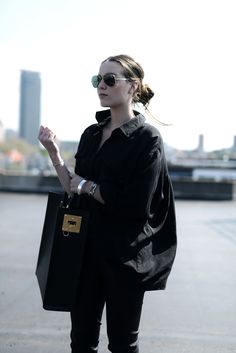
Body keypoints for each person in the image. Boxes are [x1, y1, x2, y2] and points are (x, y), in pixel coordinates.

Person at [38, 54, 177, 353]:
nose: (101, 85)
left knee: (123, 345)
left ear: (132, 87)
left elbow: (136, 204)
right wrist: (54, 154)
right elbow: (73, 190)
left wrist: (89, 187)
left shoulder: (147, 139)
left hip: (124, 260)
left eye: (110, 79)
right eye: (97, 79)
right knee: (82, 342)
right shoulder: (91, 134)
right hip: (84, 254)